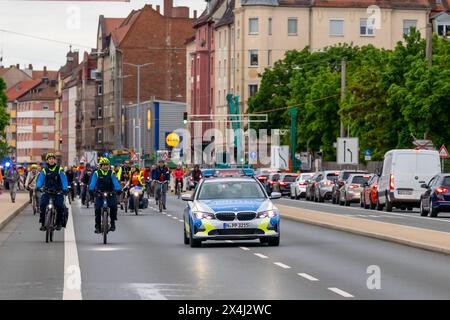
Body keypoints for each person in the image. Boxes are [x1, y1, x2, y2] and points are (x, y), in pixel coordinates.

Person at [36, 153, 68, 231]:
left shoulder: (59, 169)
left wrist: (65, 188)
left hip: (58, 191)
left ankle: (59, 223)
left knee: (60, 206)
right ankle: (43, 223)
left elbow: (64, 180)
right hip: (47, 191)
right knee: (42, 205)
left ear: (54, 160)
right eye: (49, 159)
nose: (51, 160)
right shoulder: (44, 170)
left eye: (53, 158)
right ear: (47, 161)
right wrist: (38, 186)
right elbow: (40, 179)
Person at [88, 158, 121, 233]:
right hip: (99, 194)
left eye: (107, 165)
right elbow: (93, 183)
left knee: (114, 206)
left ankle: (113, 223)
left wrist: (118, 189)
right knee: (97, 209)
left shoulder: (112, 173)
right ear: (101, 166)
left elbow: (115, 182)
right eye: (104, 165)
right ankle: (97, 226)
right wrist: (91, 189)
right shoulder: (96, 173)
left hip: (110, 193)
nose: (106, 166)